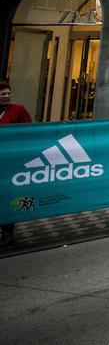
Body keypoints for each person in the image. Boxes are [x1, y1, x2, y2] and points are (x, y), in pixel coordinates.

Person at [1, 81, 32, 245]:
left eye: (8, 94)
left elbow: (28, 132)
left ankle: (7, 230)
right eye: (3, 94)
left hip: (10, 162)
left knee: (7, 194)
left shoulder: (18, 110)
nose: (6, 97)